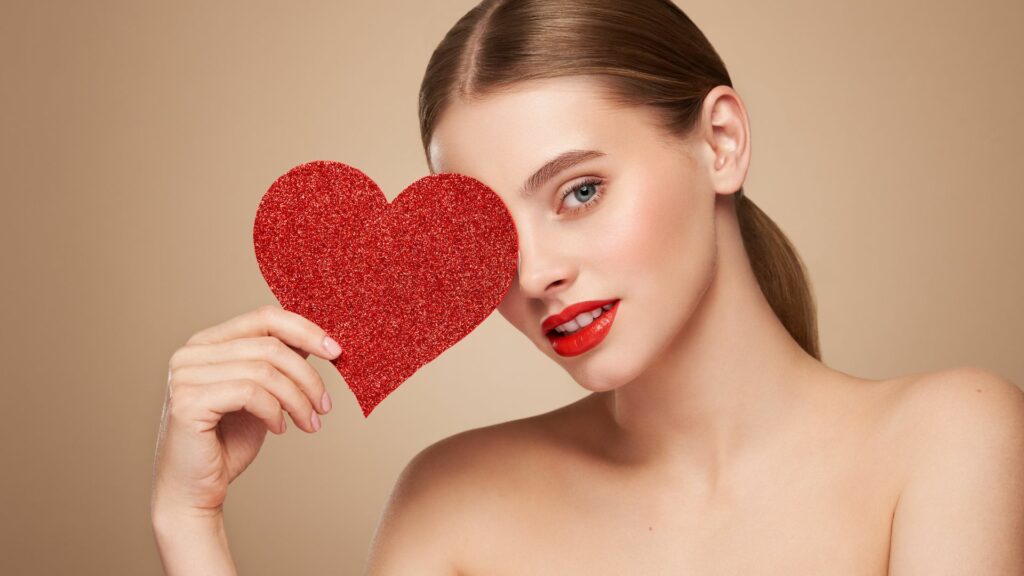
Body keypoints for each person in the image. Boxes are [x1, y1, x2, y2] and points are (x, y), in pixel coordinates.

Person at [150, 0, 1024, 574]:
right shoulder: (452, 500)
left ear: (719, 143)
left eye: (580, 191)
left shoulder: (947, 440)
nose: (533, 274)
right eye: (487, 232)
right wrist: (190, 524)